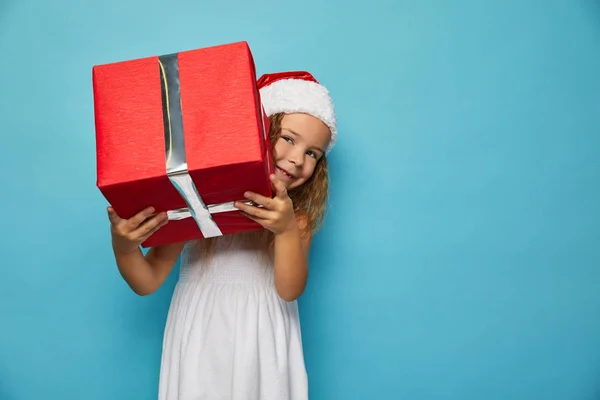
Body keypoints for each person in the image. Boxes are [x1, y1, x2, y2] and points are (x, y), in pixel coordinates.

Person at [106, 70, 338, 399]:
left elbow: (289, 289)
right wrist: (124, 247)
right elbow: (148, 280)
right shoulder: (196, 201)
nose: (298, 159)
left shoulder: (295, 217)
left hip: (262, 339)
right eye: (288, 138)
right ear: (260, 130)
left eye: (313, 153)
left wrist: (284, 230)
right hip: (200, 333)